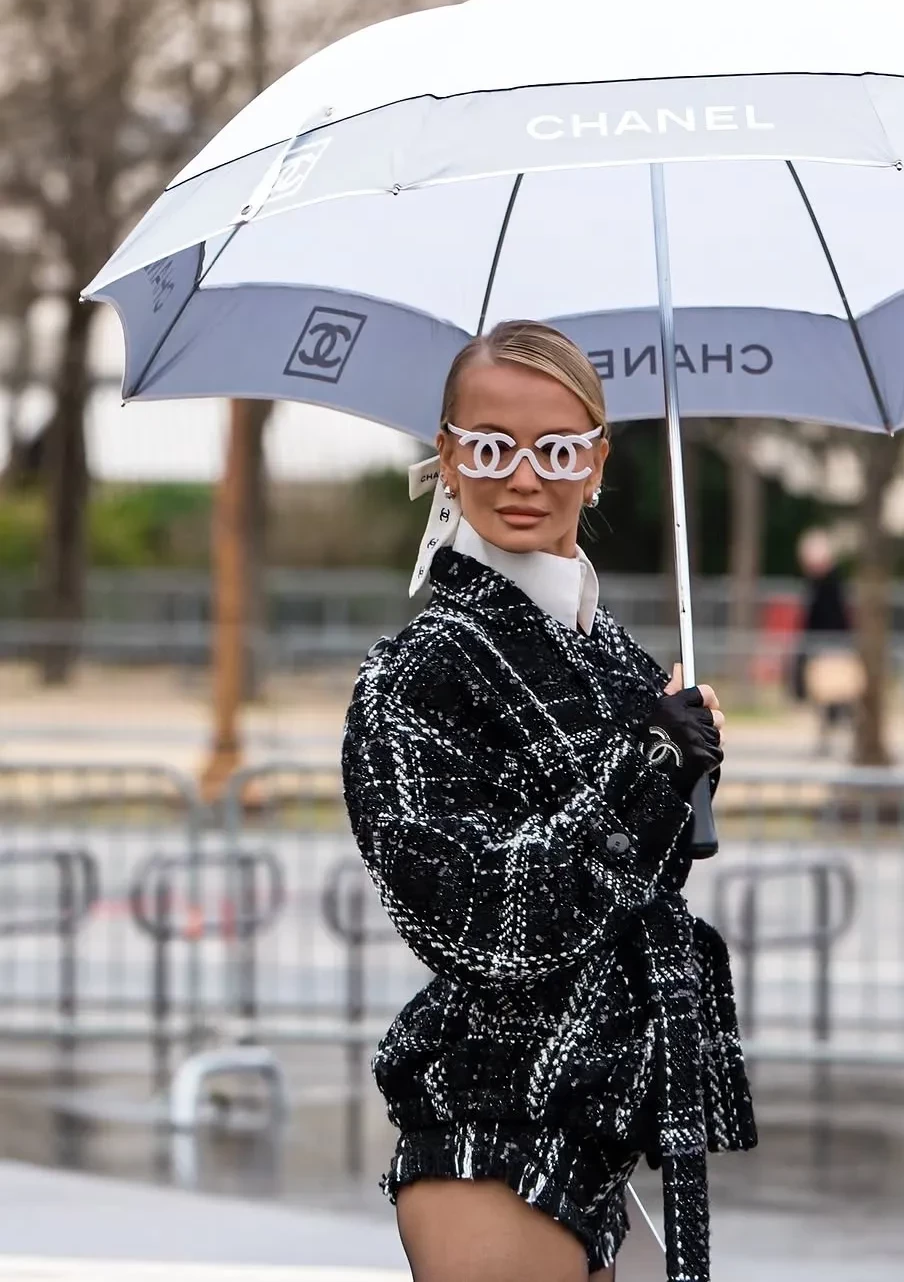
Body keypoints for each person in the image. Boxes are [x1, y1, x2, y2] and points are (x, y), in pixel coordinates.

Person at [342, 320, 755, 1282]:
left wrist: (683, 764)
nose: (524, 478)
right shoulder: (415, 674)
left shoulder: (616, 660)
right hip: (490, 1127)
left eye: (558, 450)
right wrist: (643, 770)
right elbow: (472, 917)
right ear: (448, 456)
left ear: (597, 463)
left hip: (595, 1126)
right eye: (491, 448)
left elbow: (635, 879)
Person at [792, 528, 858, 756]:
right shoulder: (820, 583)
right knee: (827, 701)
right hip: (822, 648)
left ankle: (842, 743)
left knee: (840, 699)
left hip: (832, 649)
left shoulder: (830, 584)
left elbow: (832, 618)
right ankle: (828, 742)